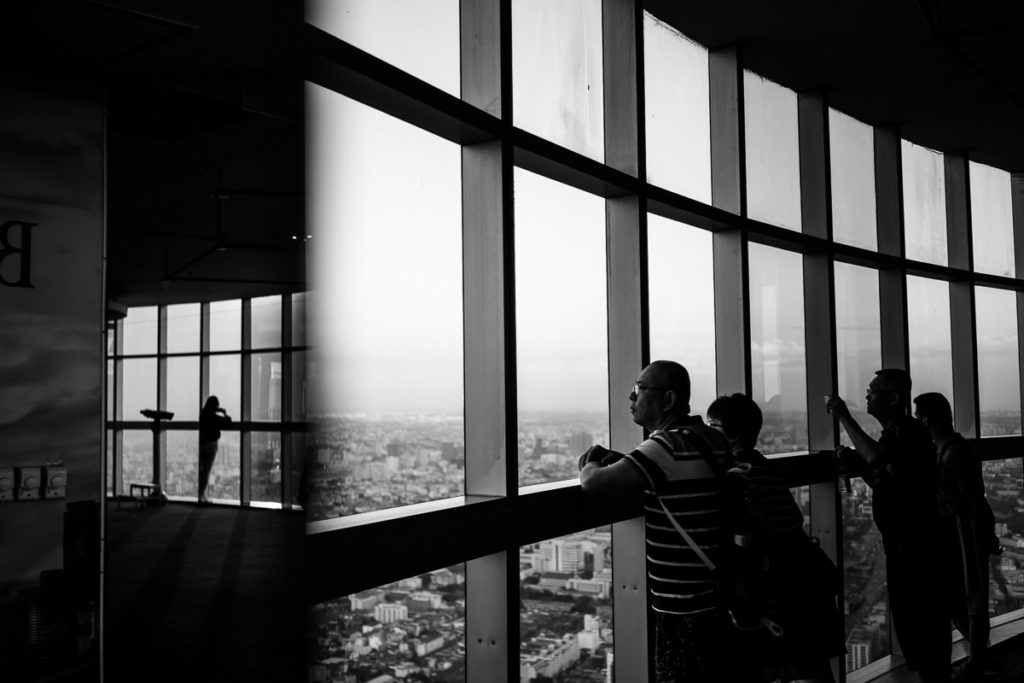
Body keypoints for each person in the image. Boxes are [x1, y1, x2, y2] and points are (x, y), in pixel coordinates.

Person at [577, 360, 735, 682]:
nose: (631, 398)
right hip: (718, 593)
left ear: (668, 400)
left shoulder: (666, 445)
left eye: (638, 389)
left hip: (682, 602)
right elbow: (678, 479)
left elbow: (593, 484)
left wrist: (591, 460)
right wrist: (626, 461)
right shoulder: (710, 440)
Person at [707, 393, 842, 683]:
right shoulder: (763, 466)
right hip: (800, 576)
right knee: (811, 665)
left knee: (784, 663)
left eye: (712, 425)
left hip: (777, 584)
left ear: (730, 433)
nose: (707, 432)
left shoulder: (739, 473)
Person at [826, 369, 951, 683]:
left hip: (916, 546)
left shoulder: (906, 432)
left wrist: (844, 417)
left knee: (920, 621)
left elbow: (876, 457)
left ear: (894, 397)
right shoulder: (899, 436)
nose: (868, 396)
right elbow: (888, 478)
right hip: (905, 544)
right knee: (915, 622)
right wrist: (859, 465)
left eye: (873, 391)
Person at [913, 392, 1000, 681]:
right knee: (962, 598)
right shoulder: (951, 449)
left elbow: (975, 500)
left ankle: (977, 662)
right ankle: (980, 658)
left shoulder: (951, 453)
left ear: (926, 419)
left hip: (965, 534)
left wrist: (984, 533)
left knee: (971, 599)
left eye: (918, 417)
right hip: (961, 534)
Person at [198, 395, 232, 504]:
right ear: (215, 406)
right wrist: (223, 412)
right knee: (206, 472)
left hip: (202, 444)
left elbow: (207, 413)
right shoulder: (214, 417)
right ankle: (202, 495)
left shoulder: (203, 415)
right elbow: (228, 421)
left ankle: (200, 495)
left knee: (202, 471)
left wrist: (216, 409)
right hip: (212, 445)